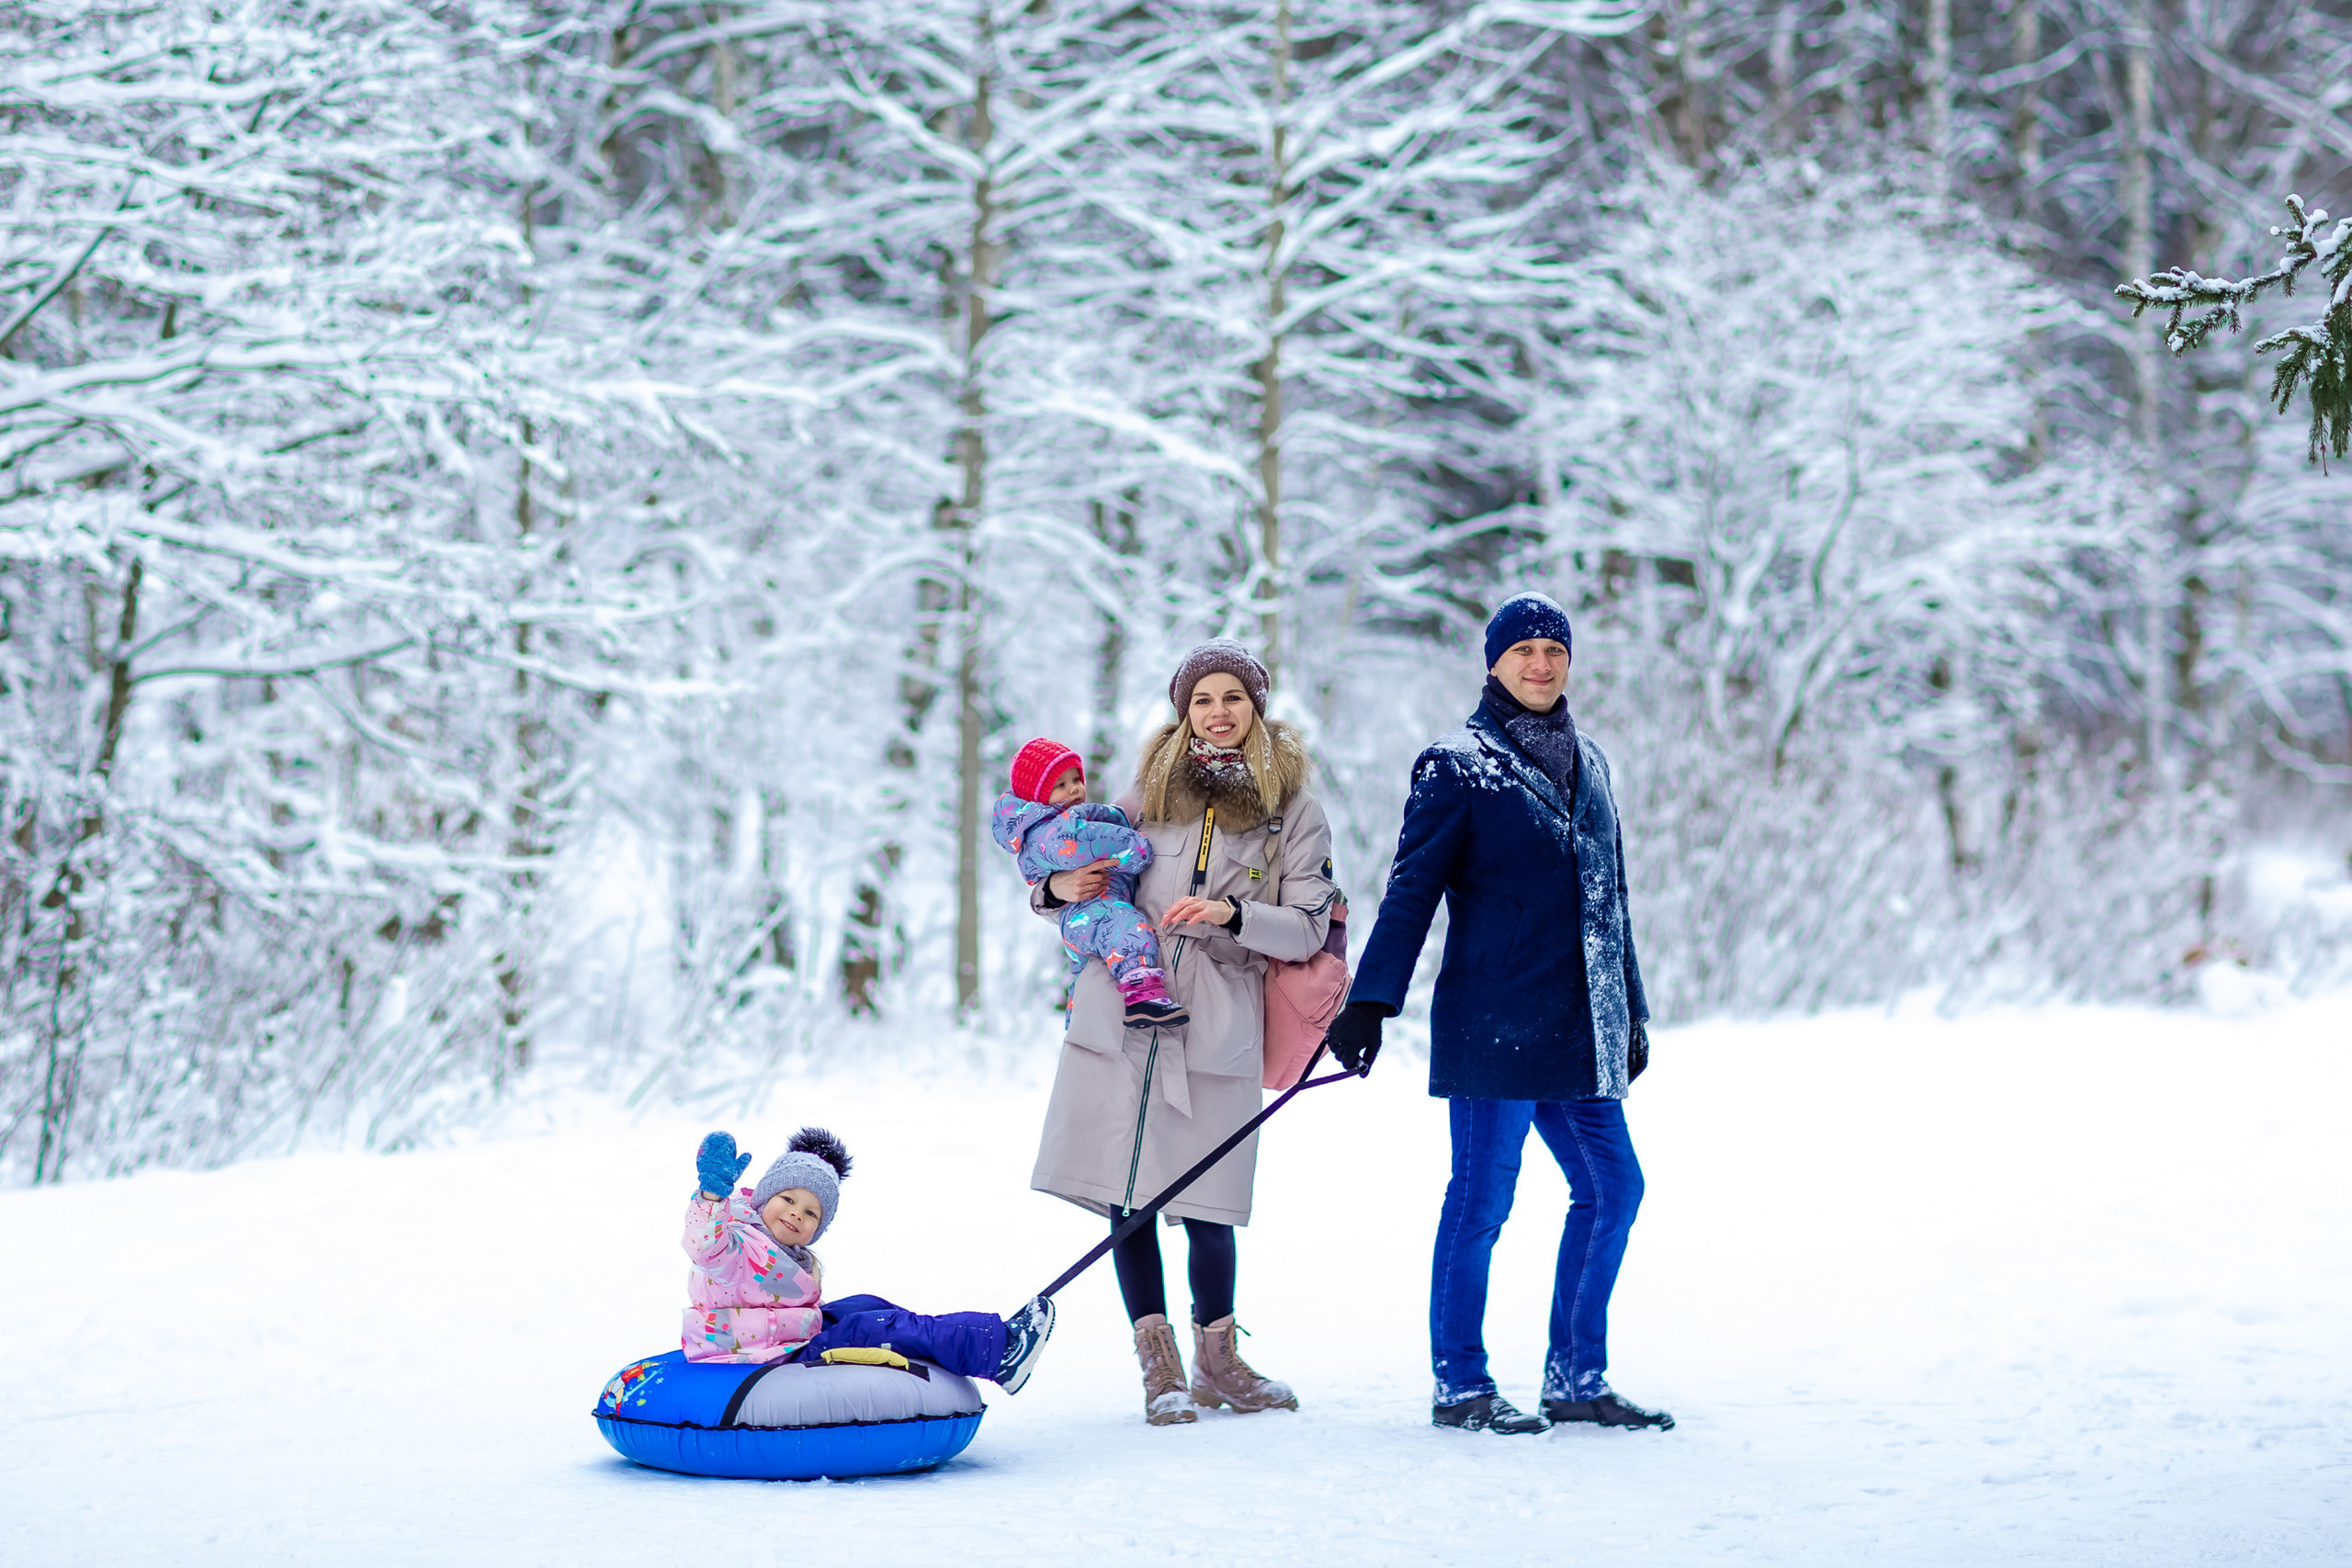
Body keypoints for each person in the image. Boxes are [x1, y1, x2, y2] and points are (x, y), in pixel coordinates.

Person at [1329, 592, 1673, 1434]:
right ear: (1493, 663)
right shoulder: (1456, 762)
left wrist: (1628, 1013)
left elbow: (1611, 896)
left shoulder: (1591, 759)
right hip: (1495, 1020)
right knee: (1484, 1200)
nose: (1541, 662)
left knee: (1613, 1187)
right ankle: (1462, 1383)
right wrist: (1372, 998)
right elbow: (1413, 886)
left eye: (1555, 648)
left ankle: (1575, 1375)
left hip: (1579, 1024)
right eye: (1523, 649)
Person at [1029, 638, 1337, 1426]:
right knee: (1125, 1190)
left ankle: (1219, 1359)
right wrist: (1056, 886)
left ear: (1256, 706)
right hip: (1127, 1006)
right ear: (1184, 710)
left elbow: (1307, 928)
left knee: (1210, 1196)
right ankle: (1158, 1365)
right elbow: (1067, 858)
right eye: (1203, 699)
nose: (1218, 711)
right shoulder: (1147, 791)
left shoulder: (1292, 808)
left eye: (1233, 696)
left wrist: (1233, 914)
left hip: (1221, 1011)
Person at [682, 1129, 1056, 1393]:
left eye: (812, 1213)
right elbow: (704, 1247)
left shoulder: (788, 1254)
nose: (797, 1214)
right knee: (877, 1327)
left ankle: (958, 1339)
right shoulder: (735, 1244)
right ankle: (1000, 1350)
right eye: (788, 1199)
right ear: (763, 1198)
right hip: (756, 1356)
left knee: (867, 1306)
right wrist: (712, 1197)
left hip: (780, 1338)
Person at [990, 737, 1187, 1028]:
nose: (1073, 789)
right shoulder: (1052, 831)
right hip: (1092, 910)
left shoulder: (1062, 821)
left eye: (1075, 779)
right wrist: (1136, 849)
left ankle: (1076, 1022)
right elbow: (1088, 841)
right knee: (1126, 930)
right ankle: (1142, 991)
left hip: (1090, 910)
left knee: (1083, 980)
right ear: (1038, 797)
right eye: (1060, 785)